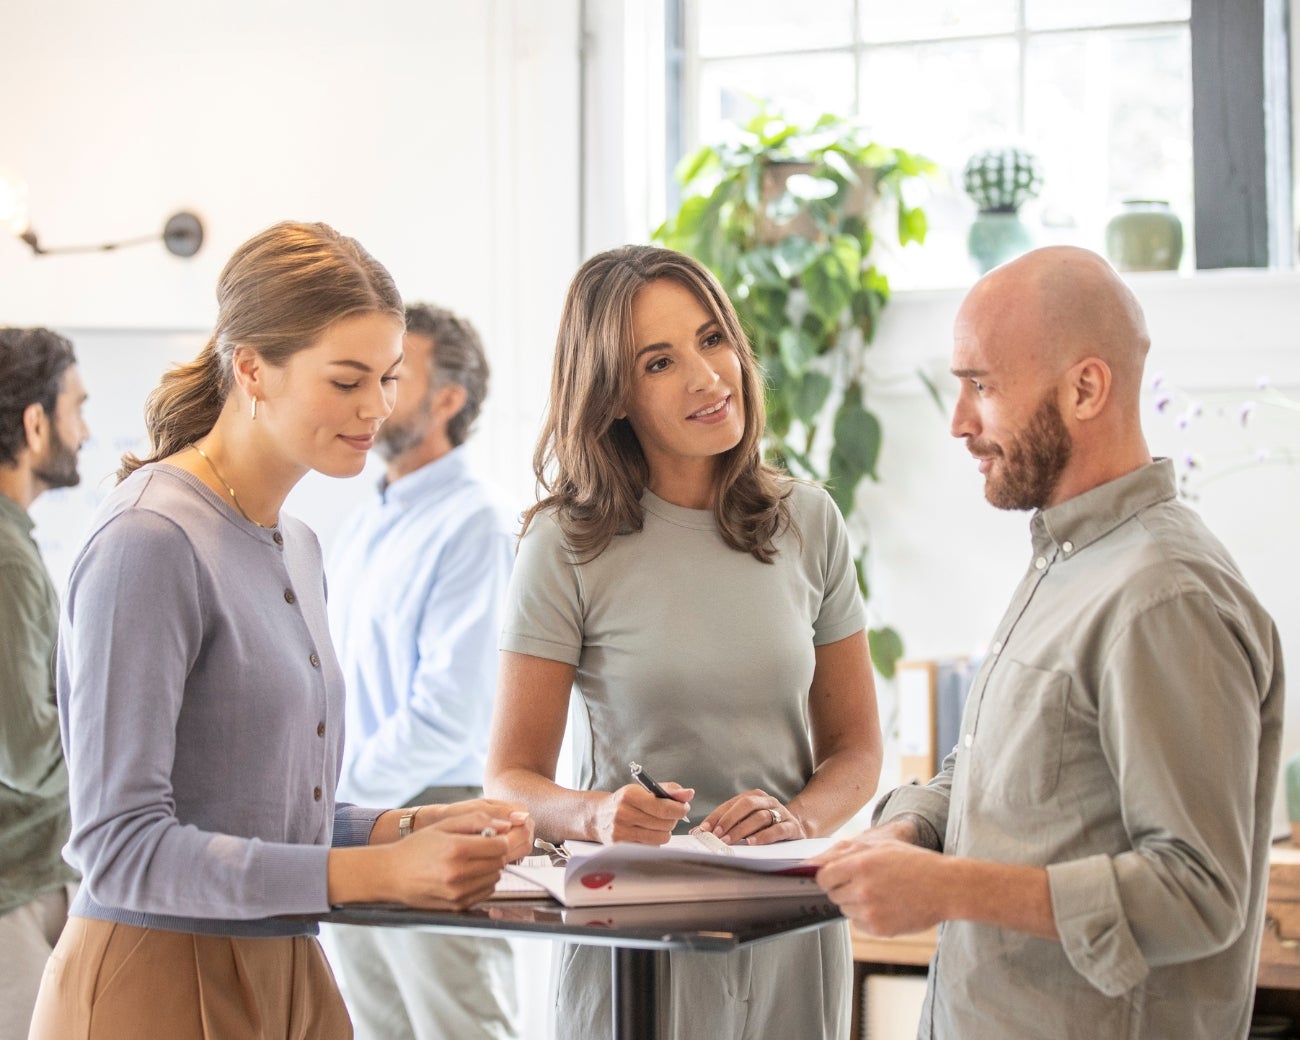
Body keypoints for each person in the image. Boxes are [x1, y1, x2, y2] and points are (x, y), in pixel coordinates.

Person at [28, 221, 532, 1040]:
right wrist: (371, 872)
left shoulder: (297, 543)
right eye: (346, 381)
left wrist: (401, 826)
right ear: (252, 368)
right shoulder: (149, 541)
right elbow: (119, 845)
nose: (376, 408)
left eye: (390, 378)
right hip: (154, 979)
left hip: (291, 966)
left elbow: (253, 812)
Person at [814, 245, 1284, 1040]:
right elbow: (1009, 767)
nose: (959, 422)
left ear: (1086, 387)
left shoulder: (1164, 598)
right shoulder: (1068, 561)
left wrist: (948, 889)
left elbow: (1199, 893)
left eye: (982, 385)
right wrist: (913, 824)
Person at [484, 244, 883, 1040]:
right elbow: (508, 779)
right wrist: (598, 816)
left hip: (787, 932)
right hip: (635, 935)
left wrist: (798, 821)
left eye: (712, 339)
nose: (707, 376)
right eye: (660, 362)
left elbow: (858, 750)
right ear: (615, 397)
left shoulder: (808, 521)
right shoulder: (565, 544)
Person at [323, 303, 519, 1040]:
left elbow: (450, 714)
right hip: (357, 819)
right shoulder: (368, 519)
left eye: (395, 377)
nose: (370, 397)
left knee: (460, 1027)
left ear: (448, 401)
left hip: (434, 813)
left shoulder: (478, 523)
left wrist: (336, 802)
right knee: (380, 1029)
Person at [0, 327, 89, 1040]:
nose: (85, 431)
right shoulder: (5, 558)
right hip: (15, 891)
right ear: (35, 424)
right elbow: (24, 748)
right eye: (75, 409)